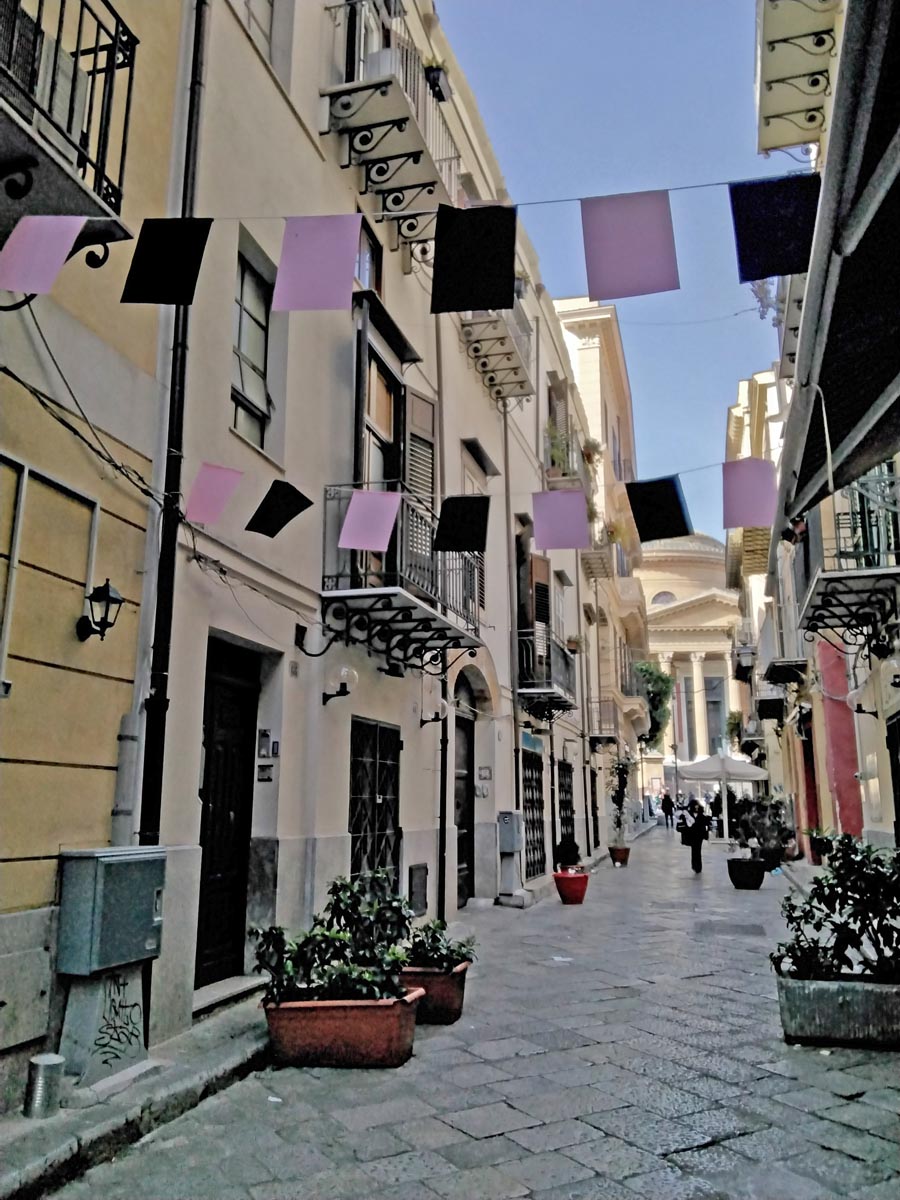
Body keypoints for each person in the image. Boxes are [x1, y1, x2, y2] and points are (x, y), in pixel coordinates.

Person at [682, 798, 710, 874]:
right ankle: (695, 866)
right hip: (692, 835)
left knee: (697, 850)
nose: (696, 807)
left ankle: (697, 866)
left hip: (699, 835)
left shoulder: (701, 815)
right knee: (694, 850)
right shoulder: (689, 815)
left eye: (697, 805)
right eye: (695, 806)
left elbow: (705, 822)